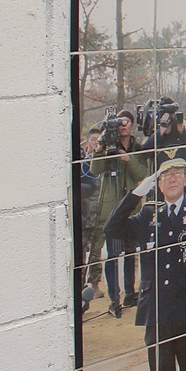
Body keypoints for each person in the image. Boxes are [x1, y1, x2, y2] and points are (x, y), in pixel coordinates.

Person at [105, 158, 186, 371]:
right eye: (166, 176)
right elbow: (112, 228)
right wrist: (137, 192)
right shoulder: (148, 215)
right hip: (157, 309)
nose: (172, 179)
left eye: (177, 174)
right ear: (159, 184)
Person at [91, 109, 148, 317]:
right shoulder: (106, 144)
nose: (123, 126)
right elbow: (95, 169)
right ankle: (114, 300)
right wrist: (100, 147)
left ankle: (130, 293)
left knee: (130, 252)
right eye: (119, 123)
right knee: (113, 254)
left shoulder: (137, 147)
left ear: (132, 125)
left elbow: (142, 173)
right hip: (112, 207)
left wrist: (127, 158)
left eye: (127, 122)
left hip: (131, 207)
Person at [78, 125, 105, 301]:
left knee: (96, 252)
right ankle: (80, 287)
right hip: (85, 215)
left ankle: (94, 284)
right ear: (88, 141)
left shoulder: (103, 159)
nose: (95, 142)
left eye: (98, 139)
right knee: (81, 253)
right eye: (93, 139)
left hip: (100, 214)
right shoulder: (82, 162)